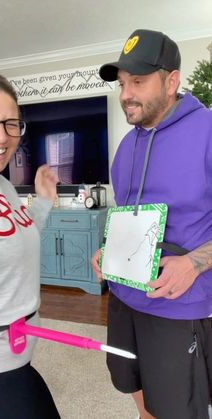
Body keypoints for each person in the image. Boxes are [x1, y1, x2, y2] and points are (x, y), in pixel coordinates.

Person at [92, 29, 212, 419]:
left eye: (138, 81)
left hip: (181, 305)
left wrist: (195, 263)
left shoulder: (207, 130)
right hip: (125, 300)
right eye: (123, 83)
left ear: (172, 80)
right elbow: (129, 217)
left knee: (179, 407)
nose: (126, 93)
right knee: (132, 384)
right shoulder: (127, 145)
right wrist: (108, 249)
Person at [0, 66, 61, 419]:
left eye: (12, 123)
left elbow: (17, 243)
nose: (3, 135)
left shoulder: (0, 184)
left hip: (18, 355)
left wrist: (42, 201)